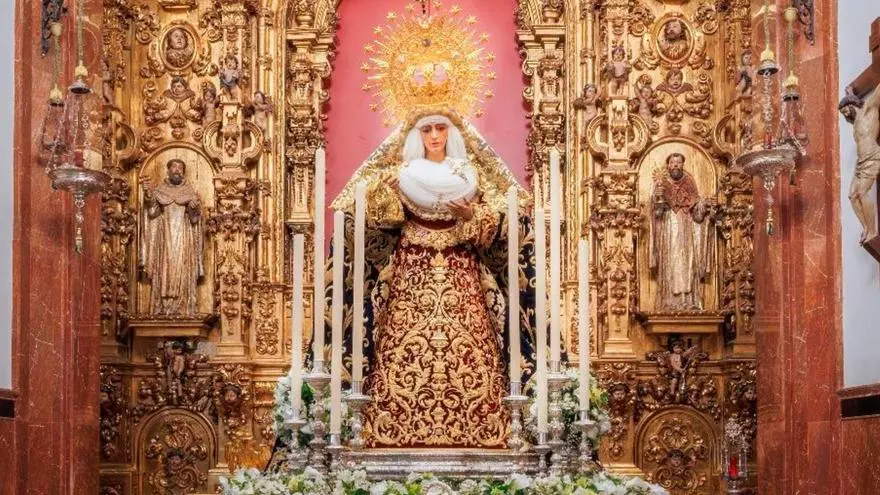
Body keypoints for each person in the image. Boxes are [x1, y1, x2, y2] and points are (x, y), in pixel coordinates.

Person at [649, 153, 715, 311]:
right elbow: (656, 214)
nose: (675, 165)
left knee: (687, 262)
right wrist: (658, 200)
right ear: (668, 165)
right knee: (671, 262)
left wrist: (706, 206)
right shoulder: (662, 184)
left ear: (682, 165)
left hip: (687, 229)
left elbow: (698, 216)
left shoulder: (689, 183)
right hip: (668, 229)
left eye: (678, 162)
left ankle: (689, 300)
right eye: (673, 162)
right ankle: (669, 301)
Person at [140, 159, 204, 316]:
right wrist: (148, 195)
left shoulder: (189, 192)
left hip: (184, 239)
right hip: (164, 239)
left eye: (180, 168)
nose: (177, 170)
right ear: (168, 170)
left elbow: (195, 220)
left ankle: (183, 306)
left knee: (184, 268)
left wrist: (194, 208)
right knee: (164, 269)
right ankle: (163, 307)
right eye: (174, 167)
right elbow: (152, 213)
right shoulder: (159, 191)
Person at [840, 83, 880, 243]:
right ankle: (866, 227)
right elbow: (851, 105)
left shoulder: (870, 110)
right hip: (860, 161)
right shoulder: (855, 122)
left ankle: (872, 231)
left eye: (845, 109)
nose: (844, 113)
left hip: (872, 157)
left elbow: (877, 92)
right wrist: (850, 93)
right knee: (852, 195)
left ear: (852, 104)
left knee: (862, 193)